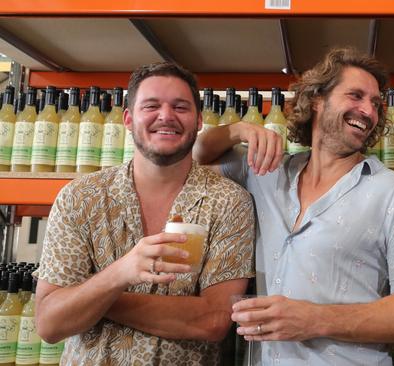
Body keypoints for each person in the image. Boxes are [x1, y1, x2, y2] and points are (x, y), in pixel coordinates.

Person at [193, 47, 394, 365]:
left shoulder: (393, 192)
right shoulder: (265, 171)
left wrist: (316, 319)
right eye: (355, 96)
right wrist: (237, 130)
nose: (368, 111)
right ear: (316, 100)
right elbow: (194, 156)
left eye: (375, 104)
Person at [35, 62, 255, 365]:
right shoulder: (79, 198)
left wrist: (94, 295)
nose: (166, 116)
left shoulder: (228, 202)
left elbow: (212, 320)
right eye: (151, 106)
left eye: (180, 107)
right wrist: (120, 273)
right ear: (128, 119)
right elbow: (50, 323)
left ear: (199, 120)